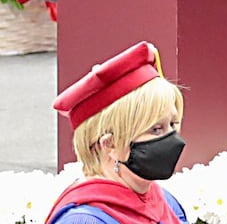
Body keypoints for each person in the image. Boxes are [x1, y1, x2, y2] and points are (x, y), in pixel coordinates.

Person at [46, 41, 188, 224]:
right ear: (109, 144)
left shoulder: (165, 202)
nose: (172, 139)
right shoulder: (84, 220)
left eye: (172, 124)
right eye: (156, 129)